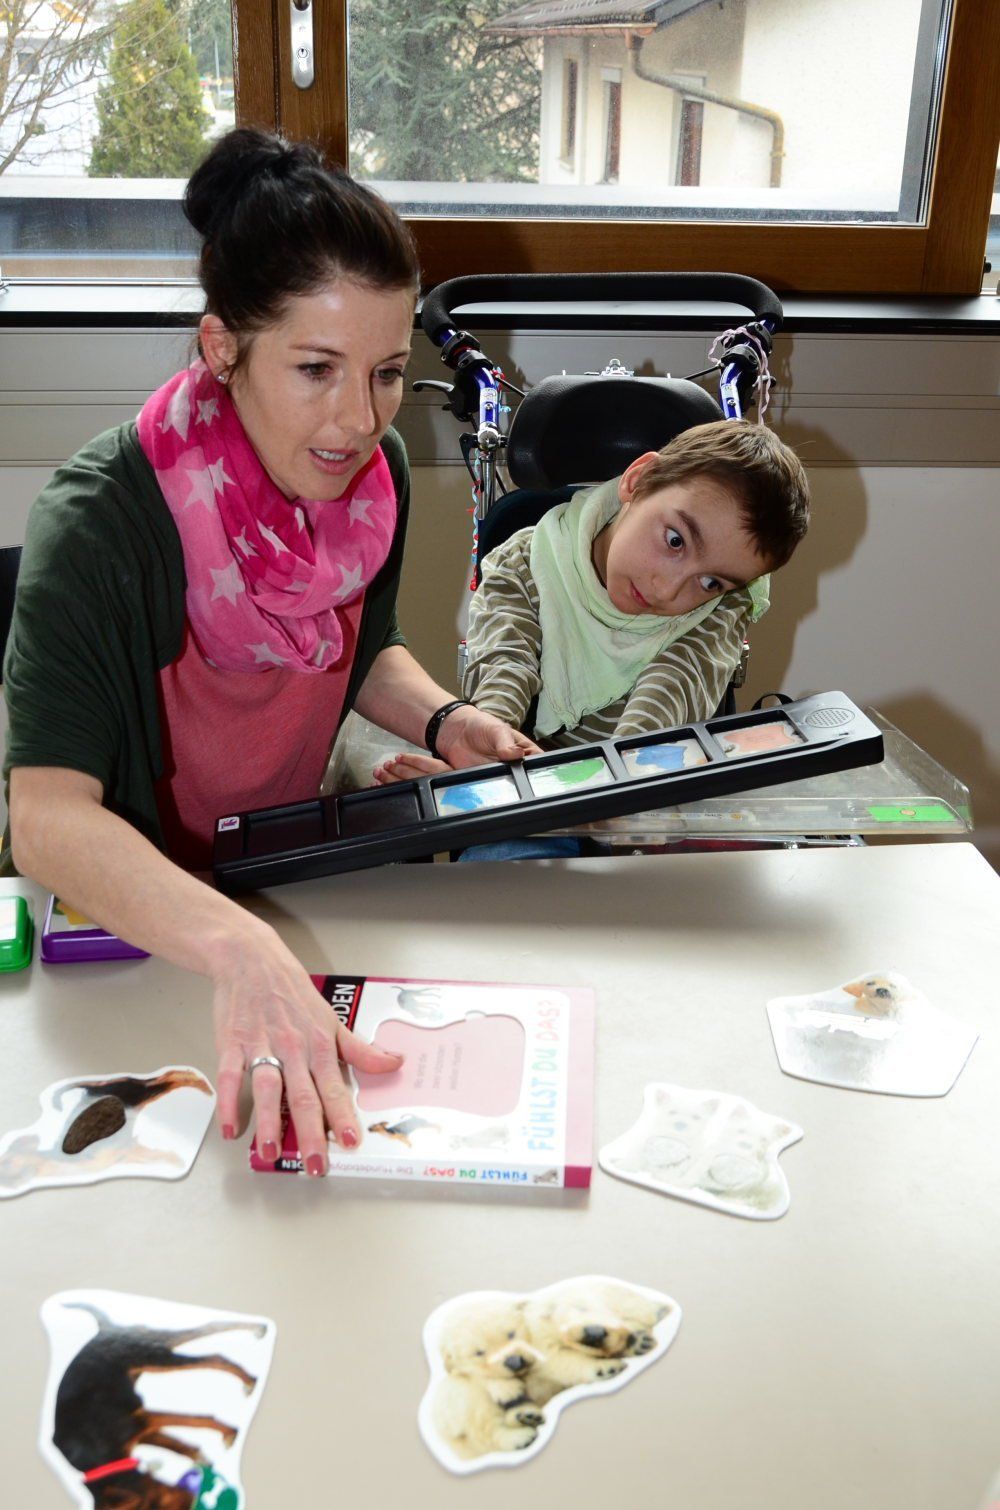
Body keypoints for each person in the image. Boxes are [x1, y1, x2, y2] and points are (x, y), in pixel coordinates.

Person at [1, 127, 538, 1176]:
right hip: (127, 929)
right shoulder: (100, 519)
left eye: (388, 373)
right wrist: (242, 946)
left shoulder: (372, 480)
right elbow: (48, 818)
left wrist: (444, 718)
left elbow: (360, 648)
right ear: (221, 348)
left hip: (275, 889)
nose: (358, 418)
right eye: (316, 369)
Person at [373, 420, 810, 794]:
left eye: (710, 581)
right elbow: (505, 668)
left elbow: (664, 704)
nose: (668, 590)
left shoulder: (721, 608)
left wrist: (612, 796)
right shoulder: (523, 564)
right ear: (638, 480)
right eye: (675, 541)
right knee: (505, 853)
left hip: (634, 784)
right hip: (522, 782)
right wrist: (482, 763)